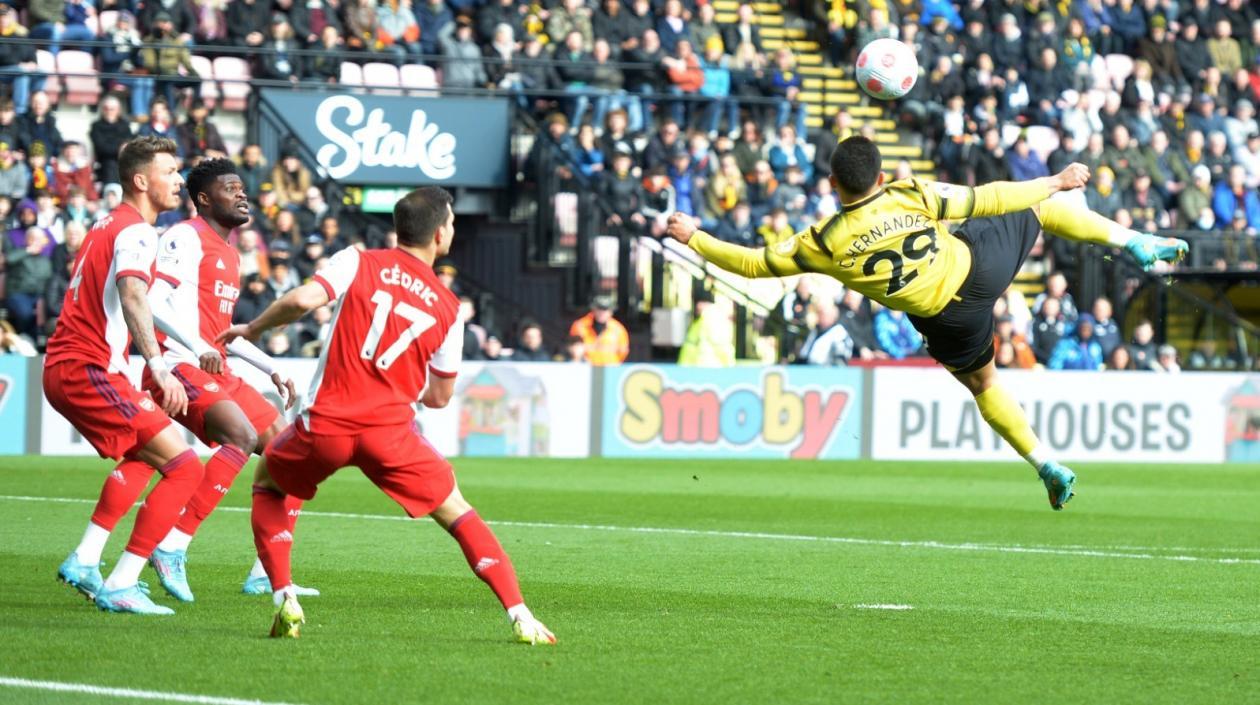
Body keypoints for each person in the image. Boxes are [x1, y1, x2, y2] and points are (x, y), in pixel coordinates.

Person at [664, 136, 1190, 510]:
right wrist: (1052, 180)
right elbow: (989, 198)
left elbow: (754, 264)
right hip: (981, 270)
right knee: (1042, 207)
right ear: (881, 176)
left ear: (831, 183)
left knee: (985, 385)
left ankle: (1044, 463)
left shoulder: (822, 242)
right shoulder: (906, 193)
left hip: (948, 320)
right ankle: (1133, 242)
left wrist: (697, 237)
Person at [219, 186, 556, 644]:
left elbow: (301, 301)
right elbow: (439, 398)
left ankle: (284, 597)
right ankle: (521, 616)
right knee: (459, 513)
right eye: (452, 223)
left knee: (267, 482)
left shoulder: (358, 260)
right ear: (440, 235)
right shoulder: (450, 309)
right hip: (390, 435)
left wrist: (253, 328)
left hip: (326, 426)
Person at [99, 158, 307, 604]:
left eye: (243, 188)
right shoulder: (183, 237)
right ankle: (173, 545)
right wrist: (195, 349)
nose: (243, 194)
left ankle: (267, 571)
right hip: (178, 365)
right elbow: (151, 302)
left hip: (216, 367)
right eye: (232, 188)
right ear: (205, 198)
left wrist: (272, 366)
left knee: (290, 455)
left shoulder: (230, 253)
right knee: (240, 435)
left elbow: (220, 334)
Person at [45, 136, 204, 615]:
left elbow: (132, 300)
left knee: (144, 456)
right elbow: (134, 296)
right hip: (87, 367)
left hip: (77, 365)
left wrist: (194, 348)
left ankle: (87, 558)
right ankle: (122, 581)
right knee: (186, 466)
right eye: (170, 171)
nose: (179, 180)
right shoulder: (137, 231)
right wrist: (158, 366)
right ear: (141, 181)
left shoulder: (106, 225)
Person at [569, 295, 630, 365]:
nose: (602, 312)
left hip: (609, 369)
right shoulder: (580, 326)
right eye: (599, 309)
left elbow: (623, 353)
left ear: (611, 311)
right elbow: (572, 349)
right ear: (593, 309)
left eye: (606, 309)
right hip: (586, 369)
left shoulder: (618, 330)